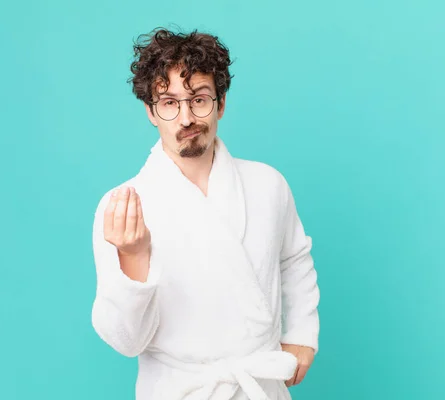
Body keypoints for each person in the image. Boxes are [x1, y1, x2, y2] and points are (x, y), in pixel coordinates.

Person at [91, 27, 320, 400]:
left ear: (221, 104)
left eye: (199, 100)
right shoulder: (124, 206)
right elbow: (126, 342)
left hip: (257, 387)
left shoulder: (268, 184)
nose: (186, 118)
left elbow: (294, 260)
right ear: (151, 111)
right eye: (169, 102)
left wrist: (301, 334)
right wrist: (134, 257)